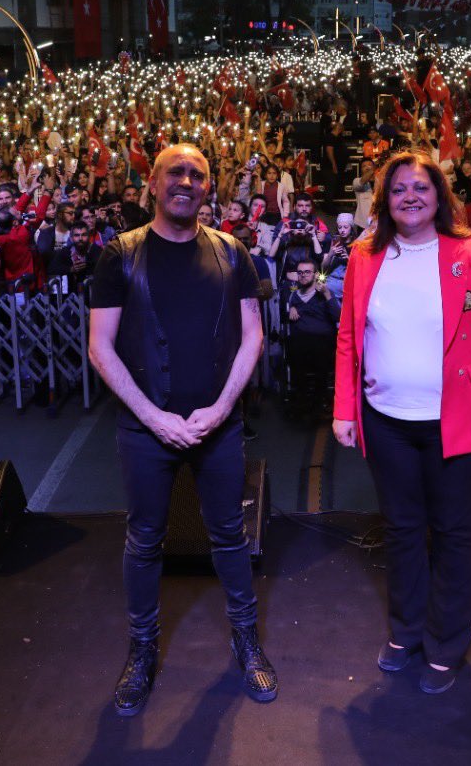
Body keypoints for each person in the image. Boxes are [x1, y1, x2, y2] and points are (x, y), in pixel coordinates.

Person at [86, 144, 275, 716]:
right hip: (146, 429)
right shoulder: (119, 255)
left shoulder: (232, 251)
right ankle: (141, 653)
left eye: (197, 174)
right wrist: (154, 418)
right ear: (152, 182)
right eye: (176, 172)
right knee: (145, 540)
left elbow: (253, 338)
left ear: (209, 186)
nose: (187, 181)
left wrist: (219, 412)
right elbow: (100, 348)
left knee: (229, 537)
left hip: (217, 426)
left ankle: (246, 643)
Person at [332, 149, 471, 694]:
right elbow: (349, 336)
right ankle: (406, 631)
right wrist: (345, 408)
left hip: (456, 424)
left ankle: (446, 644)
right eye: (398, 189)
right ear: (383, 200)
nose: (409, 197)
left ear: (439, 196)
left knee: (455, 535)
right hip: (386, 421)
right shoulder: (365, 255)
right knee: (402, 530)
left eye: (420, 187)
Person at [282, 258, 339, 404]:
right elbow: (285, 316)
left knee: (319, 350)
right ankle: (301, 400)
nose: (303, 275)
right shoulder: (294, 296)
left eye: (307, 272)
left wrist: (327, 295)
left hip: (321, 342)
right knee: (293, 347)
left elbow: (338, 316)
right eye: (300, 272)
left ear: (315, 274)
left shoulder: (325, 292)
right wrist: (291, 308)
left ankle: (319, 401)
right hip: (299, 343)